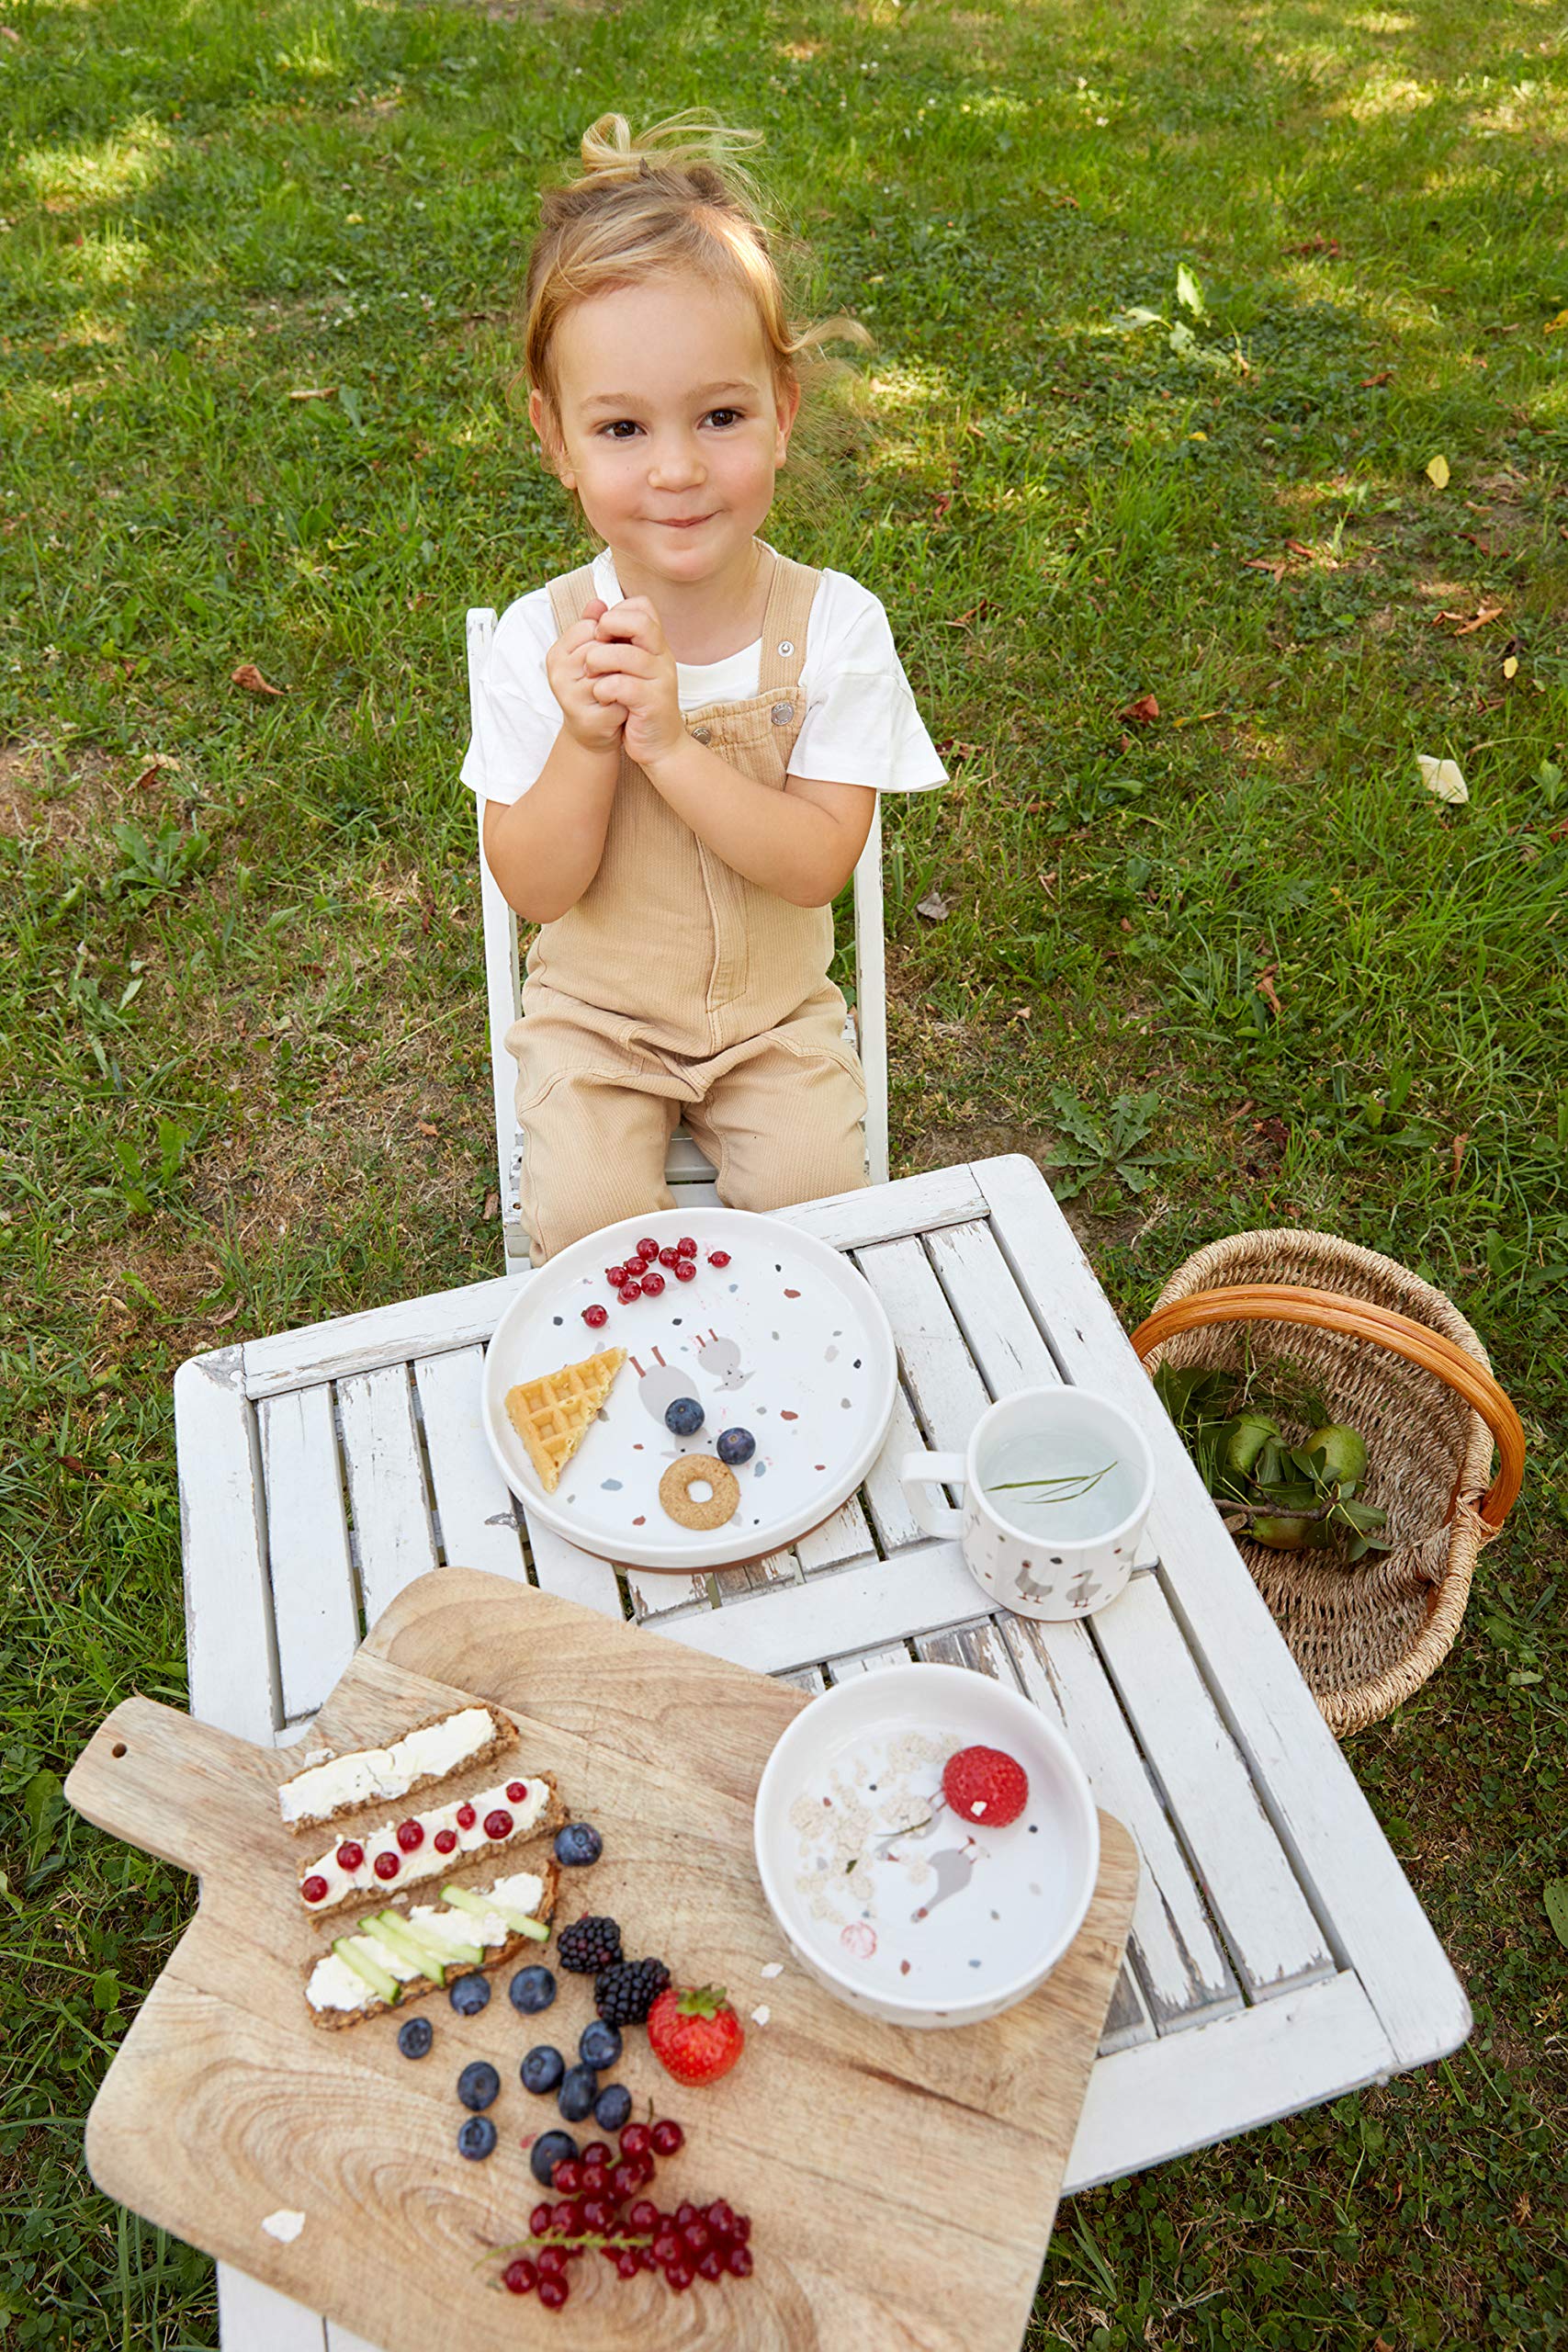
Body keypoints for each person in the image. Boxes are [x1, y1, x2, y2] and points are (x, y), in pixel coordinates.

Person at [462, 112, 946, 1264]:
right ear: (556, 441)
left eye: (719, 416)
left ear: (782, 412)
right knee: (578, 1223)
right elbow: (535, 887)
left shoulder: (835, 627)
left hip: (773, 1024)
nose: (676, 469)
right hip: (599, 1026)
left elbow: (815, 863)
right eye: (623, 427)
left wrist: (671, 748)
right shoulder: (545, 640)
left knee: (827, 1210)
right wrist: (588, 745)